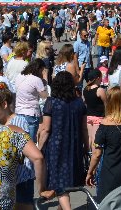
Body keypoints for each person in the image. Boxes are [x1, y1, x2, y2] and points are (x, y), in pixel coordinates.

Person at [0, 86, 47, 210]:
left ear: (4, 104)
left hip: (21, 180)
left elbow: (24, 152)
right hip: (6, 181)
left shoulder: (18, 122)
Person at [39, 71, 88, 210]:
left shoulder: (51, 102)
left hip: (56, 146)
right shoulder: (79, 103)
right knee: (66, 179)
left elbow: (46, 129)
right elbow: (84, 129)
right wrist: (86, 146)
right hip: (74, 145)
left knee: (58, 181)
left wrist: (39, 147)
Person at [13, 58, 48, 141]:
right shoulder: (36, 80)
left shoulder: (19, 76)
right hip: (31, 113)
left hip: (18, 112)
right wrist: (45, 78)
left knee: (20, 140)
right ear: (39, 69)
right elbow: (45, 96)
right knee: (31, 142)